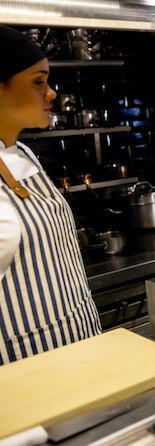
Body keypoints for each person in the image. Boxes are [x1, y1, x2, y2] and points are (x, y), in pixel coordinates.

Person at [0, 26, 102, 365]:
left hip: (77, 344)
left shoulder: (24, 154)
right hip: (26, 372)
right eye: (37, 81)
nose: (52, 94)